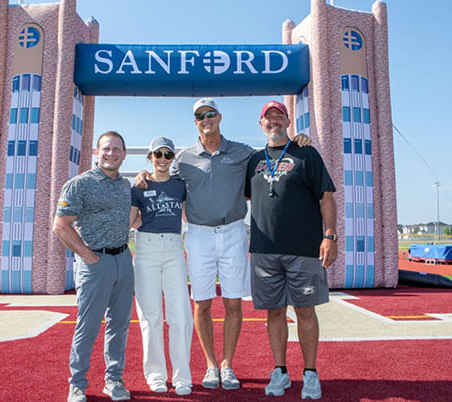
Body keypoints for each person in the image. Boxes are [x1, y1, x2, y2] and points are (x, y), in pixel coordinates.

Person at [136, 98, 311, 390]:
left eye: (211, 114)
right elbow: (164, 178)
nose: (206, 119)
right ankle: (210, 365)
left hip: (232, 233)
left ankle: (227, 364)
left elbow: (274, 154)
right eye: (200, 116)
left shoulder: (243, 152)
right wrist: (145, 175)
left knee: (232, 303)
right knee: (201, 303)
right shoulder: (184, 158)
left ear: (219, 117)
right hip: (199, 235)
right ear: (195, 122)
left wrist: (297, 142)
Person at [245, 101, 337, 400]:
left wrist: (330, 236)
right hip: (264, 251)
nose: (274, 121)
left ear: (287, 121)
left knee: (305, 311)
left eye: (279, 116)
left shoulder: (306, 153)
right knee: (274, 313)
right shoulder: (254, 160)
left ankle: (310, 373)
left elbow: (325, 197)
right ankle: (280, 370)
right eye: (268, 118)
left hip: (303, 250)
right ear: (261, 124)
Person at [53, 131, 134, 402]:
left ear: (124, 153)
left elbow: (133, 218)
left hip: (123, 260)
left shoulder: (126, 186)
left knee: (119, 324)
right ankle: (77, 383)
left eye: (117, 149)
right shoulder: (79, 184)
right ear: (96, 153)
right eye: (106, 149)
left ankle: (114, 379)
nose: (111, 154)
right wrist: (88, 256)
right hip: (95, 263)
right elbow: (61, 226)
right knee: (88, 325)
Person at [129, 137, 194, 396]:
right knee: (151, 317)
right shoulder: (139, 186)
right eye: (158, 154)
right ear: (150, 157)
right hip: (146, 250)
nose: (163, 159)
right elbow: (131, 220)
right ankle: (156, 374)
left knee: (180, 315)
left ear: (172, 158)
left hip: (173, 250)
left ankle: (182, 376)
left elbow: (188, 215)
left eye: (168, 154)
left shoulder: (180, 186)